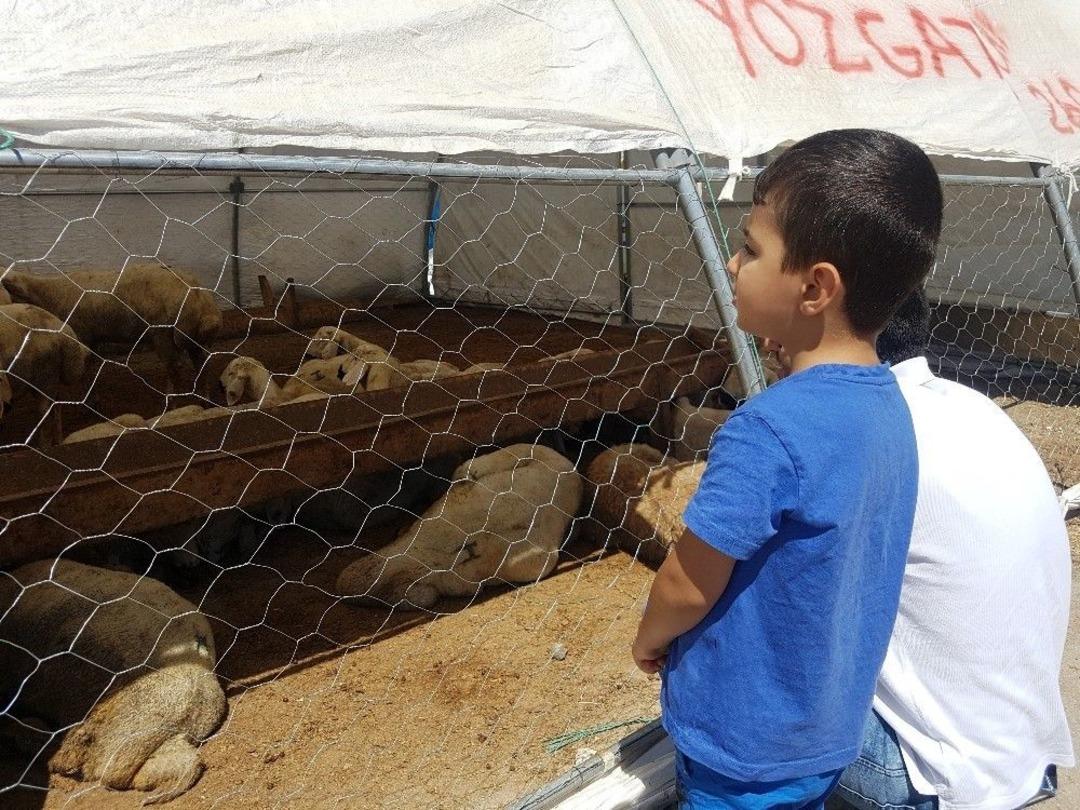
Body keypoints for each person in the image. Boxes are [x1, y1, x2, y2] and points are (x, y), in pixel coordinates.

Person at [631, 128, 943, 809]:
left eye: (749, 247)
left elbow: (687, 582)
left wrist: (650, 637)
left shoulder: (766, 430)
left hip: (740, 749)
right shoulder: (890, 403)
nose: (734, 264)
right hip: (824, 730)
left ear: (815, 287)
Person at [829, 289, 1075, 810]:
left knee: (729, 678)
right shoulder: (971, 404)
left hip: (945, 780)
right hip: (1027, 753)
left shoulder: (859, 434)